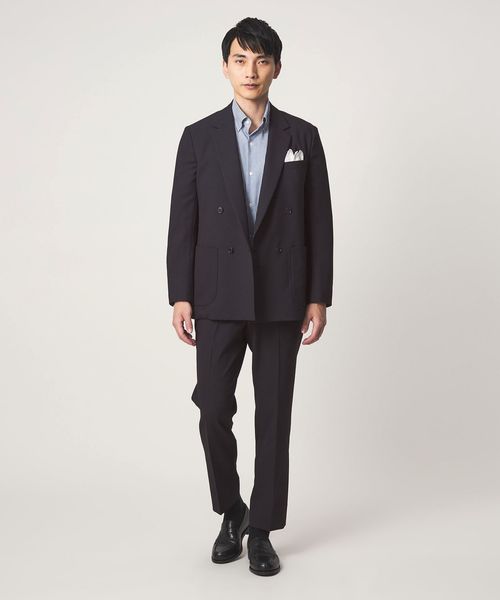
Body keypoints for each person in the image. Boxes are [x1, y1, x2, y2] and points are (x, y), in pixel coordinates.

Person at [166, 17, 334, 576]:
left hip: (282, 294)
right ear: (225, 67)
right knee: (213, 406)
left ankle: (261, 528)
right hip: (217, 293)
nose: (251, 71)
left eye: (261, 60)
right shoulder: (198, 137)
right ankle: (231, 509)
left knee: (274, 415)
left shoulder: (303, 137)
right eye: (240, 59)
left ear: (276, 68)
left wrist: (318, 294)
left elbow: (319, 220)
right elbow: (183, 221)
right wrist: (181, 294)